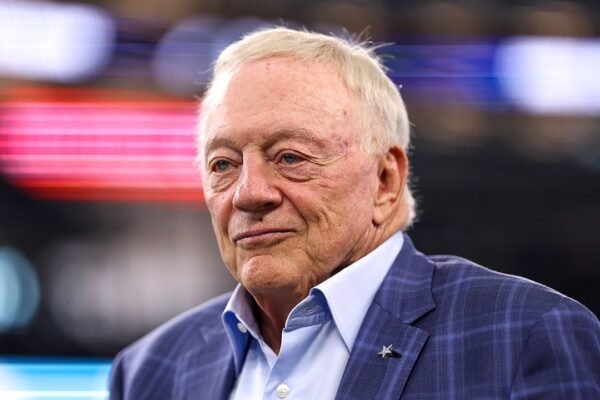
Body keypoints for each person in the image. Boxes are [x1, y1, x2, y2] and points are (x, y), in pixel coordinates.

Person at [109, 27, 600, 399]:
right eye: (223, 164)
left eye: (290, 157)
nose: (248, 193)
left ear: (385, 181)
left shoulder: (525, 334)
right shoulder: (150, 372)